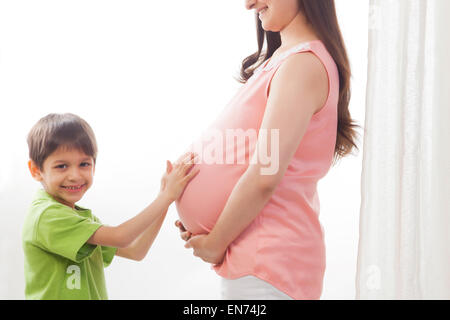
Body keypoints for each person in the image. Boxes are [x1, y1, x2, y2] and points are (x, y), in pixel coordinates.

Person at [175, 0, 360, 300]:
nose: (249, 4)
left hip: (269, 264)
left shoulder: (302, 65)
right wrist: (204, 221)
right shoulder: (285, 61)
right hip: (257, 263)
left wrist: (214, 242)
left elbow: (265, 174)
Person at [22, 113, 199, 299]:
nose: (74, 175)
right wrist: (166, 196)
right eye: (61, 166)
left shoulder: (80, 218)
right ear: (36, 170)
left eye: (84, 164)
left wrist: (165, 196)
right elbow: (121, 237)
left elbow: (136, 250)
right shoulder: (47, 215)